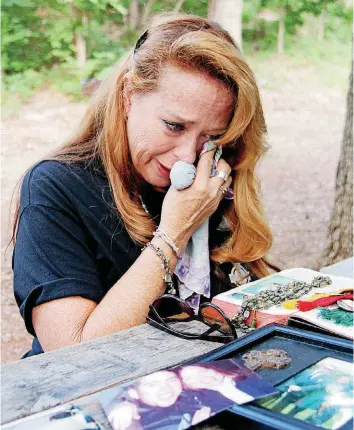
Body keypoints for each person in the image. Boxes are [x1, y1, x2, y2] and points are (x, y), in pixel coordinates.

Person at [12, 13, 277, 358]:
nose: (187, 156)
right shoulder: (55, 188)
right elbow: (73, 352)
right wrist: (174, 233)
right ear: (128, 95)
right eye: (174, 125)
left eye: (211, 136)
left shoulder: (207, 179)